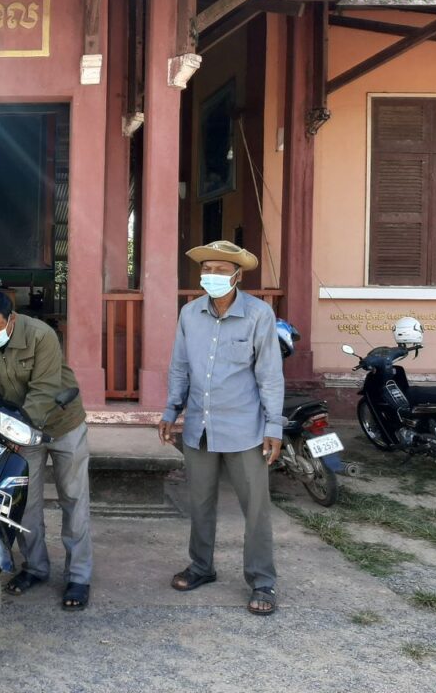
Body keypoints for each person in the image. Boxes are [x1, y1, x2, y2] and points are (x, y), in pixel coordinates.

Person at [158, 240, 285, 616]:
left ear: (237, 275)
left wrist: (274, 426)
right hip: (199, 425)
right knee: (200, 503)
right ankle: (201, 566)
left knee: (255, 509)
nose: (210, 276)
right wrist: (171, 409)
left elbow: (269, 374)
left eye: (219, 270)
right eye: (206, 269)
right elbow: (180, 365)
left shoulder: (259, 315)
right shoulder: (189, 313)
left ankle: (262, 580)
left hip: (245, 428)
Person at [0, 290, 93, 611]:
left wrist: (17, 432)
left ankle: (79, 576)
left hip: (63, 425)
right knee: (24, 504)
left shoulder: (41, 335)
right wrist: (0, 429)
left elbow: (44, 389)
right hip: (19, 433)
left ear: (11, 319)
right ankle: (35, 567)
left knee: (74, 499)